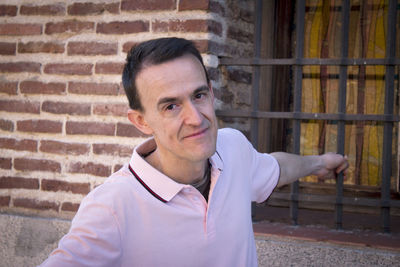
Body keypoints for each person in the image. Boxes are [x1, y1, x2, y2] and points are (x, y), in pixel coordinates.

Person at [39, 37, 348, 267]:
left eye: (199, 95)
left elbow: (275, 167)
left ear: (211, 94)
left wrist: (319, 163)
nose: (196, 118)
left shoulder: (233, 147)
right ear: (141, 121)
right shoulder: (111, 208)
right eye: (171, 105)